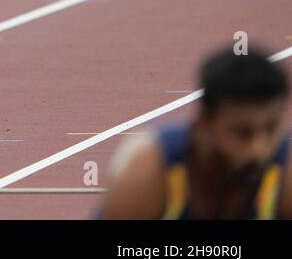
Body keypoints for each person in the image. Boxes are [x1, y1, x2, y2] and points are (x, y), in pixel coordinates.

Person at [100, 46, 289, 218]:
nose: (259, 149)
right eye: (242, 133)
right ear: (204, 124)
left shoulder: (285, 172)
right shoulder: (149, 169)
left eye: (271, 129)